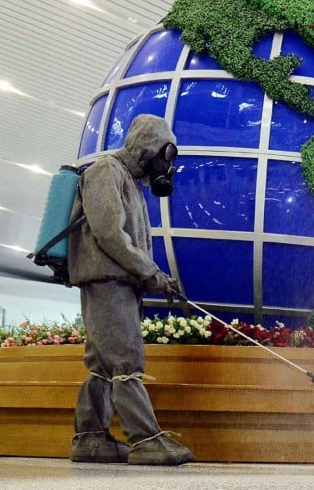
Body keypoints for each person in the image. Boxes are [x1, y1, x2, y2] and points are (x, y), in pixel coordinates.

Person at [67, 113, 195, 465]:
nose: (164, 166)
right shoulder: (105, 172)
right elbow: (110, 235)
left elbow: (126, 241)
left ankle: (89, 438)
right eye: (163, 155)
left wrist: (153, 277)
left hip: (117, 282)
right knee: (125, 361)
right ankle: (146, 439)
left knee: (103, 365)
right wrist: (150, 272)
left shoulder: (127, 180)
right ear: (147, 148)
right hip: (107, 281)